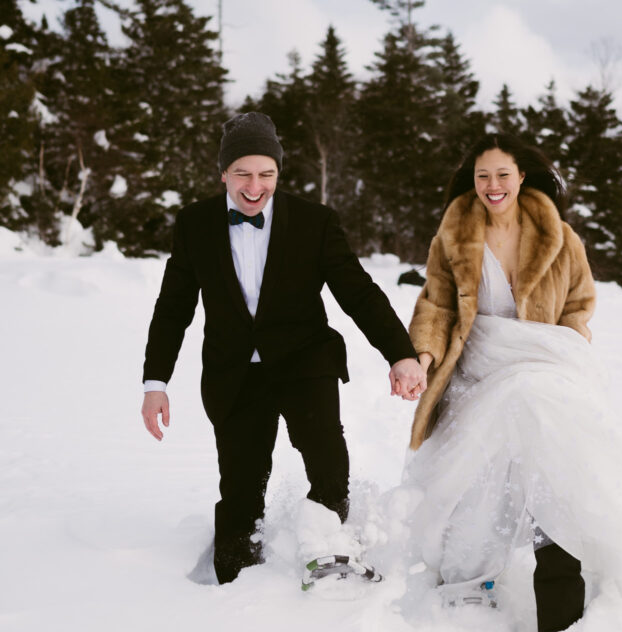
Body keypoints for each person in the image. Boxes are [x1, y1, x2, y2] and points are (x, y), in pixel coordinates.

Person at [403, 133, 622, 632]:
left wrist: (567, 344)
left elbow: (579, 302)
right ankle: (470, 584)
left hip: (547, 364)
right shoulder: (453, 236)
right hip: (480, 365)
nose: (493, 185)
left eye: (502, 174)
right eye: (483, 175)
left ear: (521, 175)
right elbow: (436, 306)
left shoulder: (559, 235)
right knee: (476, 473)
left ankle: (560, 603)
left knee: (557, 465)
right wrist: (423, 355)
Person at [141, 112, 426, 585]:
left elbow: (358, 292)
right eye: (243, 174)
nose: (255, 187)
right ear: (223, 174)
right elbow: (173, 307)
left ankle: (333, 556)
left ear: (279, 172)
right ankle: (233, 588)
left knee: (329, 467)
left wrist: (399, 353)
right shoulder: (195, 225)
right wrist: (156, 382)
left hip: (305, 362)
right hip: (234, 375)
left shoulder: (315, 222)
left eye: (266, 174)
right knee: (240, 493)